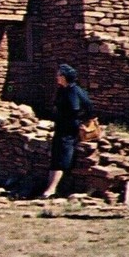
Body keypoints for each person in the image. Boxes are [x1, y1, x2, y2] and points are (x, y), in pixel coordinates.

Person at [41, 64, 94, 198]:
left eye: (59, 75)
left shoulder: (73, 91)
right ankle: (50, 188)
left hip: (69, 129)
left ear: (64, 77)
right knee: (56, 155)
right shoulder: (65, 90)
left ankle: (51, 189)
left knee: (61, 158)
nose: (56, 77)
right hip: (62, 127)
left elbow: (79, 109)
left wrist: (81, 122)